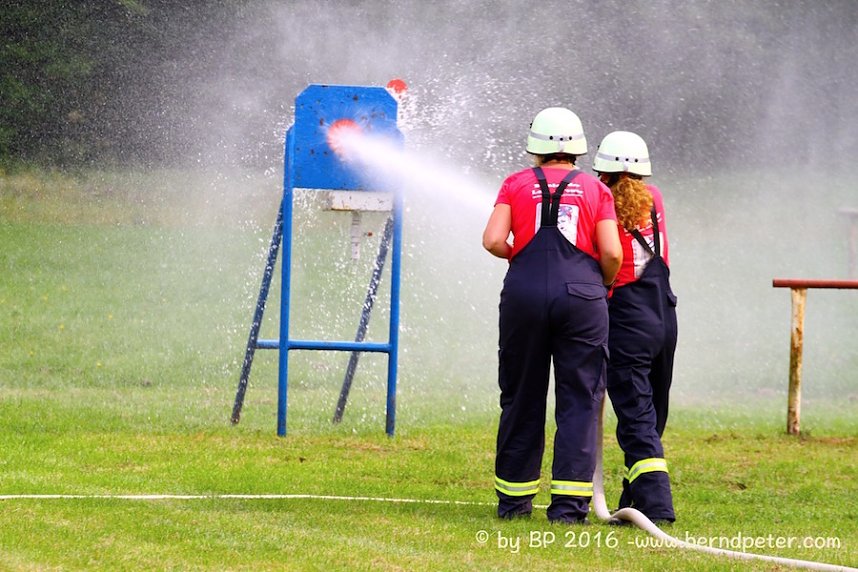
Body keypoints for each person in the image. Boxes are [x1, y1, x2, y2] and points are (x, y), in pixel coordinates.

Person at [482, 107, 622, 524]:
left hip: (523, 296)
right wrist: (603, 284)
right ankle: (568, 509)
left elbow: (492, 240)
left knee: (521, 396)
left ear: (536, 146)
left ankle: (513, 503)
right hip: (582, 297)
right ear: (578, 148)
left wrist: (520, 258)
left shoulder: (515, 183)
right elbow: (612, 252)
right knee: (579, 398)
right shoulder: (597, 191)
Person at [592, 131, 677, 524]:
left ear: (602, 171)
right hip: (663, 316)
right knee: (652, 413)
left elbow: (604, 256)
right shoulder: (654, 198)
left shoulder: (600, 199)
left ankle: (656, 506)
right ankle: (635, 496)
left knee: (637, 416)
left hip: (626, 320)